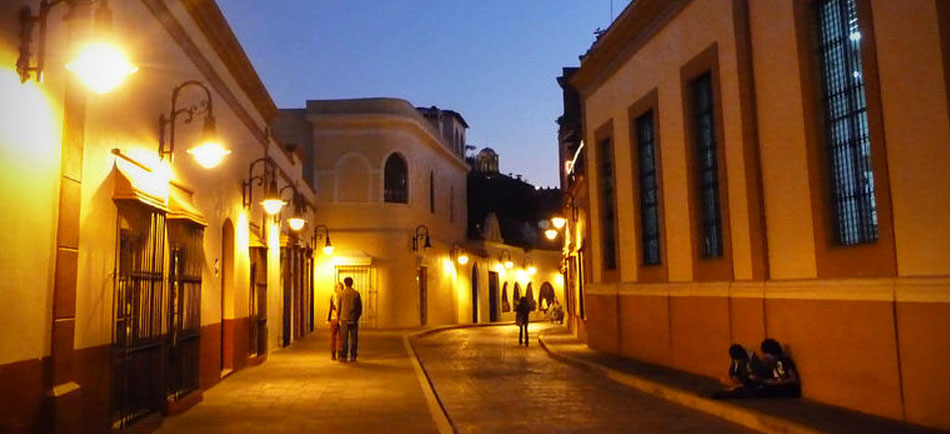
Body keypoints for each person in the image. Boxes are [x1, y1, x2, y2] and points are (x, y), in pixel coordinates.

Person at [712, 339, 800, 399]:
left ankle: (729, 394)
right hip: (775, 385)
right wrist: (768, 381)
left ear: (771, 352)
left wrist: (775, 382)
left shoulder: (784, 360)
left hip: (786, 389)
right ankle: (731, 392)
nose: (765, 357)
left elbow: (794, 379)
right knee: (754, 384)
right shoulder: (773, 362)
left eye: (766, 354)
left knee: (756, 390)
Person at [337, 277, 362, 362]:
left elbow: (339, 307)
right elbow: (359, 307)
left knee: (344, 338)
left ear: (345, 283)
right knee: (354, 338)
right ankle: (353, 356)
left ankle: (344, 356)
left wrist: (338, 317)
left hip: (344, 319)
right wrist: (357, 317)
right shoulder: (356, 294)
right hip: (353, 319)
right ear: (352, 283)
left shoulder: (341, 294)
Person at [327, 282, 344, 360]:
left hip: (341, 318)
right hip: (334, 318)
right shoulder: (333, 296)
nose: (339, 289)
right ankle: (333, 353)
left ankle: (340, 352)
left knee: (341, 337)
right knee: (333, 336)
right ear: (335, 289)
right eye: (338, 288)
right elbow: (329, 307)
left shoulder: (343, 296)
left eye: (341, 288)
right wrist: (328, 318)